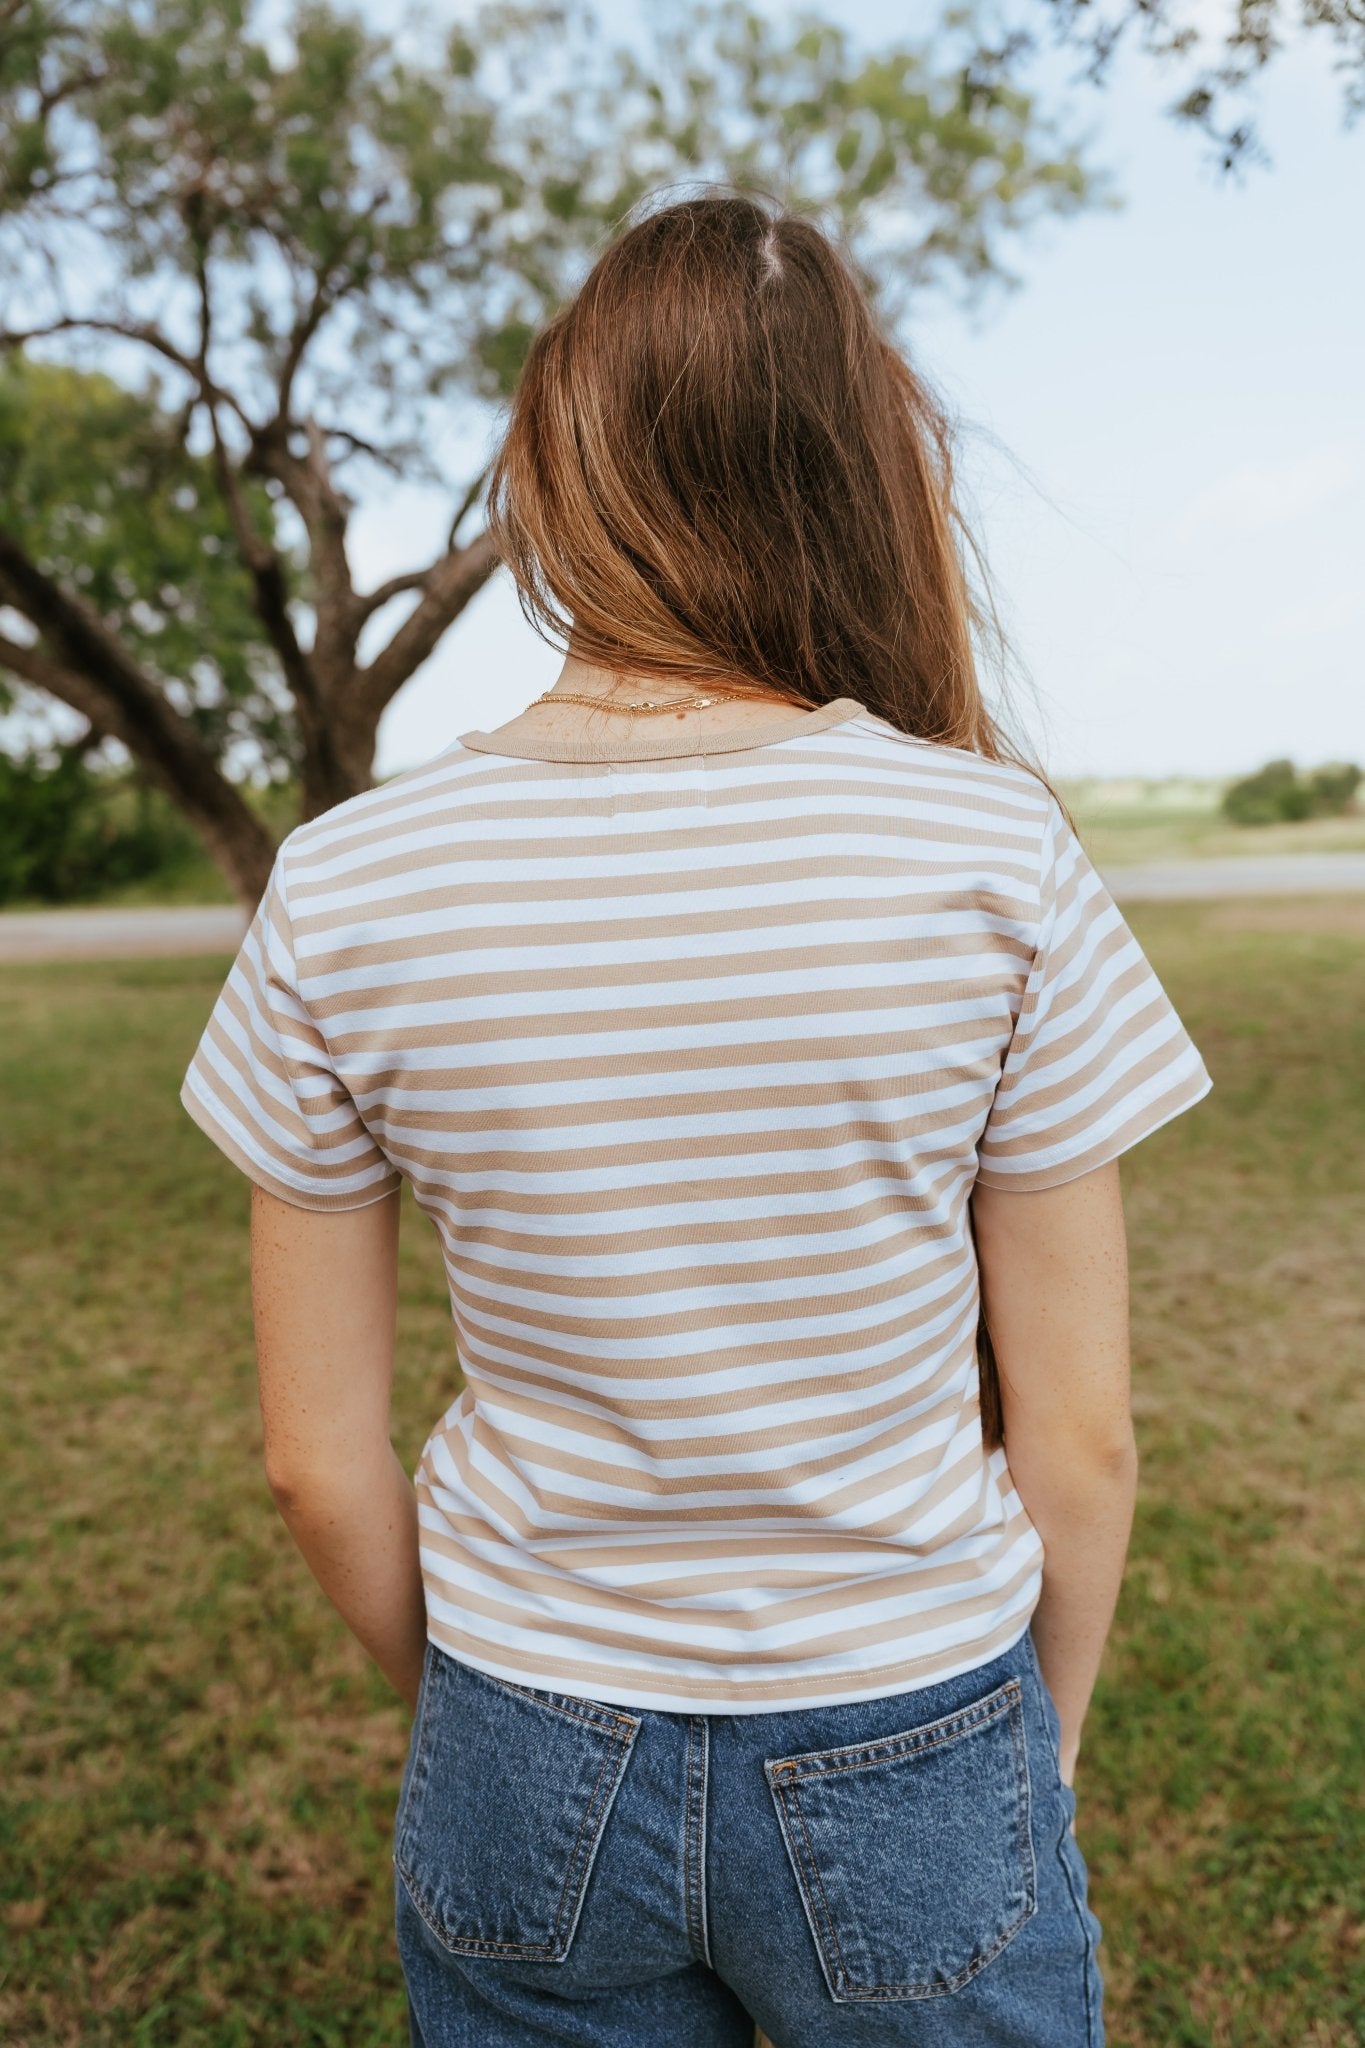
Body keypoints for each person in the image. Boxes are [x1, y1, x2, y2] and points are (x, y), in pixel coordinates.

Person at [181, 193, 1212, 2048]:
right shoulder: (988, 851)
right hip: (913, 1728)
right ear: (857, 470)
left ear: (557, 465)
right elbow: (1081, 1434)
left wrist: (504, 1715)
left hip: (517, 1735)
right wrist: (1021, 1764)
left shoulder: (344, 885)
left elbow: (314, 1466)